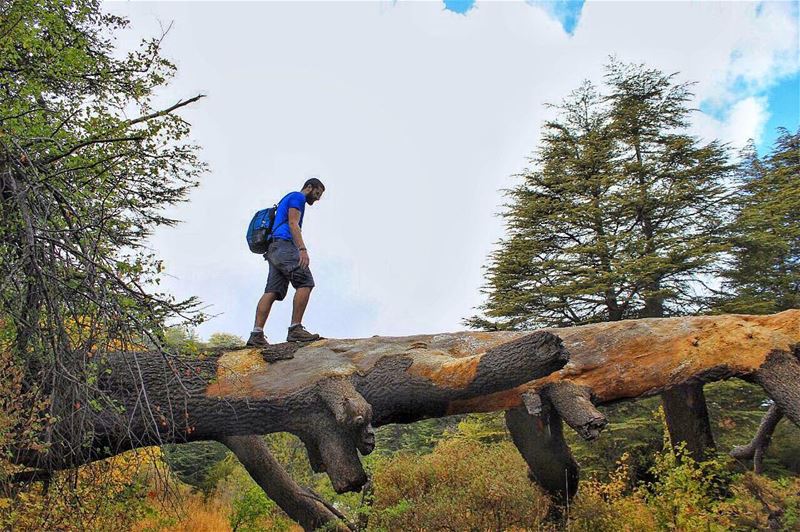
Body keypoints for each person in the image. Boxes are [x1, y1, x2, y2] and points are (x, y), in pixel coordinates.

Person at [246, 178, 325, 346]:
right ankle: (295, 329)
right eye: (317, 193)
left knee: (272, 291)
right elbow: (293, 223)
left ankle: (256, 334)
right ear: (309, 187)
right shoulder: (298, 197)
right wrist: (302, 249)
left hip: (273, 248)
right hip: (284, 245)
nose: (317, 198)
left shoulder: (287, 198)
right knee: (305, 282)